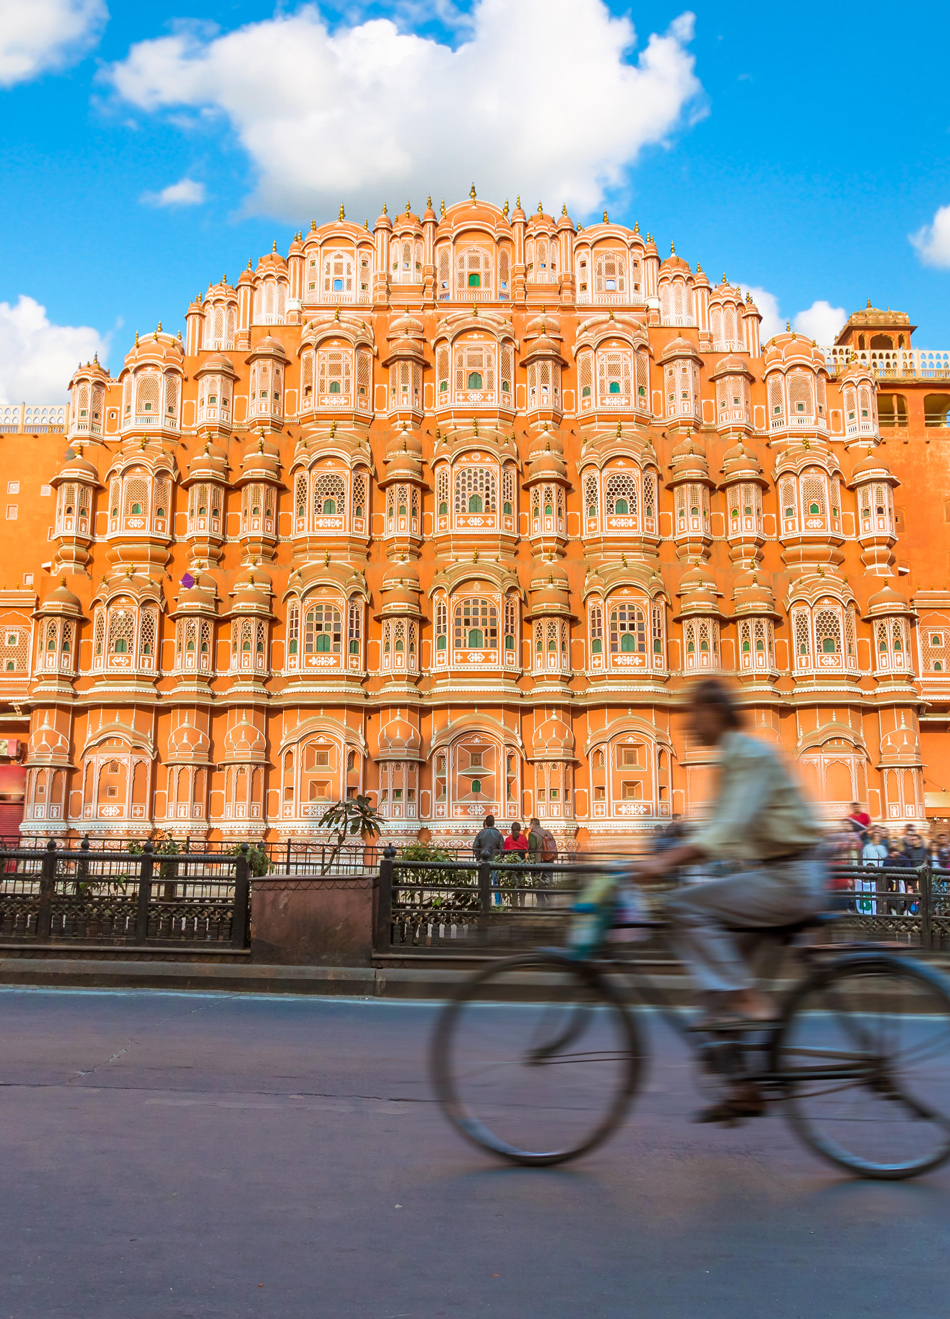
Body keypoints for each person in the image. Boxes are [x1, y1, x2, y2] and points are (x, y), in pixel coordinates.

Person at [634, 679, 824, 1029]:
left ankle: (745, 997)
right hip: (780, 874)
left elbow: (725, 832)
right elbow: (718, 832)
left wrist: (662, 861)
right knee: (715, 986)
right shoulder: (735, 755)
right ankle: (743, 1070)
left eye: (694, 714)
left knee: (684, 906)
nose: (689, 725)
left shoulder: (744, 754)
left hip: (788, 879)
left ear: (714, 712)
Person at [860, 826, 888, 915]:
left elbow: (885, 857)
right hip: (871, 871)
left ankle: (881, 910)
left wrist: (878, 847)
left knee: (881, 891)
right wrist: (865, 870)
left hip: (881, 871)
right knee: (872, 891)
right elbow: (864, 859)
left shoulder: (882, 847)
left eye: (878, 837)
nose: (877, 838)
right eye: (875, 836)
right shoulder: (867, 847)